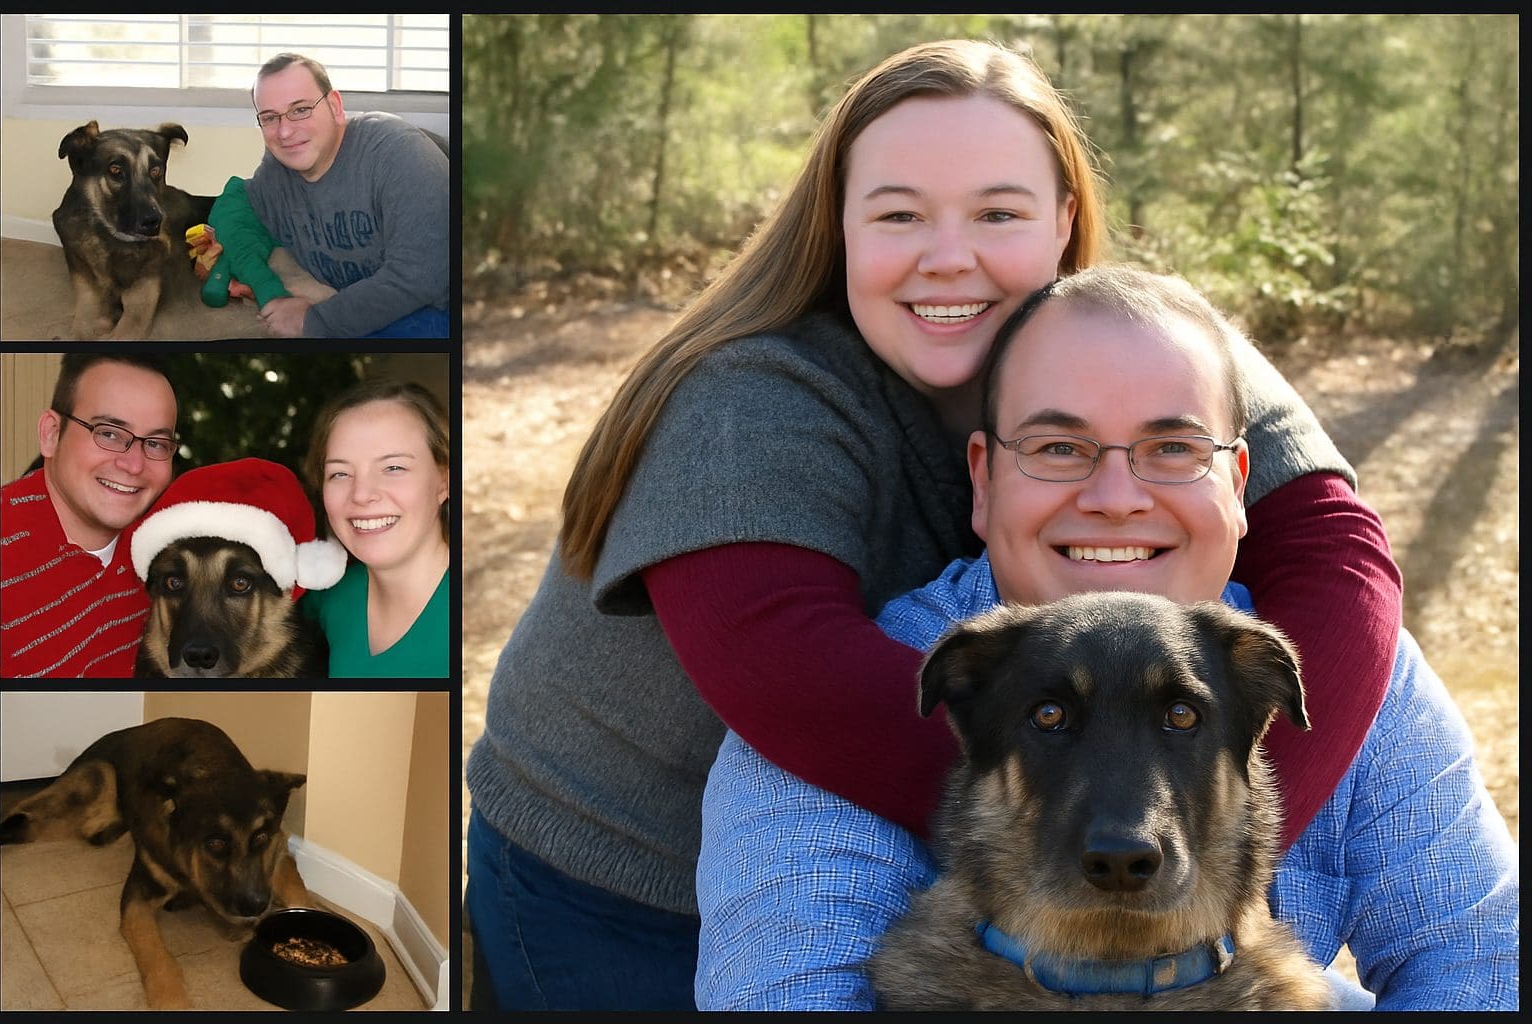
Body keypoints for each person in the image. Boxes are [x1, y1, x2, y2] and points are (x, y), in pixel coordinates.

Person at [465, 39, 1401, 1012]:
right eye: (900, 214)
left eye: (998, 213)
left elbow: (1343, 557)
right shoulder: (751, 401)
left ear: (1066, 223)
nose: (950, 256)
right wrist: (1133, 808)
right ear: (838, 227)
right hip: (623, 881)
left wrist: (1176, 804)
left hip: (933, 863)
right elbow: (793, 677)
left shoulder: (1135, 341)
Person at [696, 266, 1519, 1011]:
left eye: (1172, 448)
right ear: (983, 481)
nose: (1117, 497)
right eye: (1061, 448)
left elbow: (1482, 960)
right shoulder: (842, 703)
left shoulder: (1351, 665)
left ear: (1237, 485)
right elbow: (782, 991)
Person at [246, 52, 449, 339]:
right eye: (269, 117)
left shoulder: (398, 153)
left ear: (335, 106)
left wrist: (313, 321)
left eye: (301, 109)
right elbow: (240, 211)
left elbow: (423, 276)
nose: (285, 131)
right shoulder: (274, 175)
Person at [0, 354, 177, 678]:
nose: (134, 465)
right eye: (108, 433)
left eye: (155, 443)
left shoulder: (162, 550)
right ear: (52, 434)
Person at [301, 380, 451, 677]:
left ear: (444, 480)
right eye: (340, 473)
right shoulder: (329, 595)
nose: (361, 494)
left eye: (394, 468)